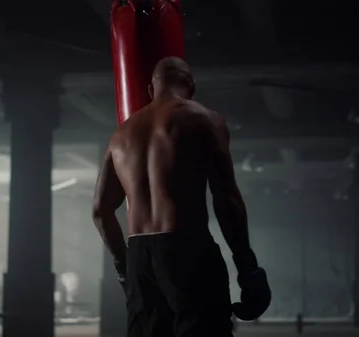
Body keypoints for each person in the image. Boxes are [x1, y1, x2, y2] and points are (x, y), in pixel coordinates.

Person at [92, 57, 271, 337]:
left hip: (139, 255)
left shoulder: (120, 135)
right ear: (191, 86)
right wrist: (247, 269)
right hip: (187, 248)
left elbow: (100, 212)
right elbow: (226, 198)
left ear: (151, 89)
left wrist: (125, 269)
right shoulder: (203, 119)